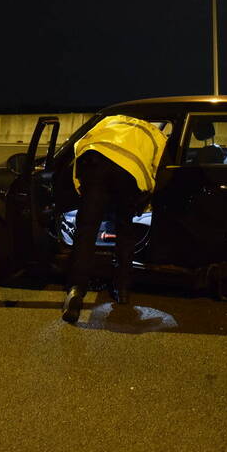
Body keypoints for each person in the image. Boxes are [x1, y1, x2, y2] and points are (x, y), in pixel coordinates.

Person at [62, 115, 168, 323]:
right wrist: (142, 200)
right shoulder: (156, 135)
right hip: (129, 175)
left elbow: (80, 145)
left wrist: (79, 185)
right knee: (125, 231)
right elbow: (159, 173)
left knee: (86, 231)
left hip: (95, 165)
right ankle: (122, 289)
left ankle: (76, 290)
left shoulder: (110, 120)